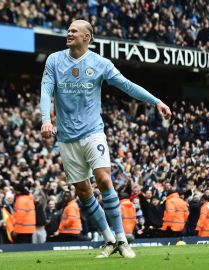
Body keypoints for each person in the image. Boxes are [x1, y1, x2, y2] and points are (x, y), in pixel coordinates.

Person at [40, 19, 171, 258]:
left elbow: (127, 85)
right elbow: (46, 90)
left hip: (92, 132)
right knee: (83, 191)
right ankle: (109, 239)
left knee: (103, 178)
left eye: (73, 31)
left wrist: (156, 101)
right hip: (67, 138)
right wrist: (45, 119)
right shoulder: (54, 60)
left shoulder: (100, 63)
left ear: (87, 37)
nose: (68, 33)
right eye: (68, 30)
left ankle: (122, 238)